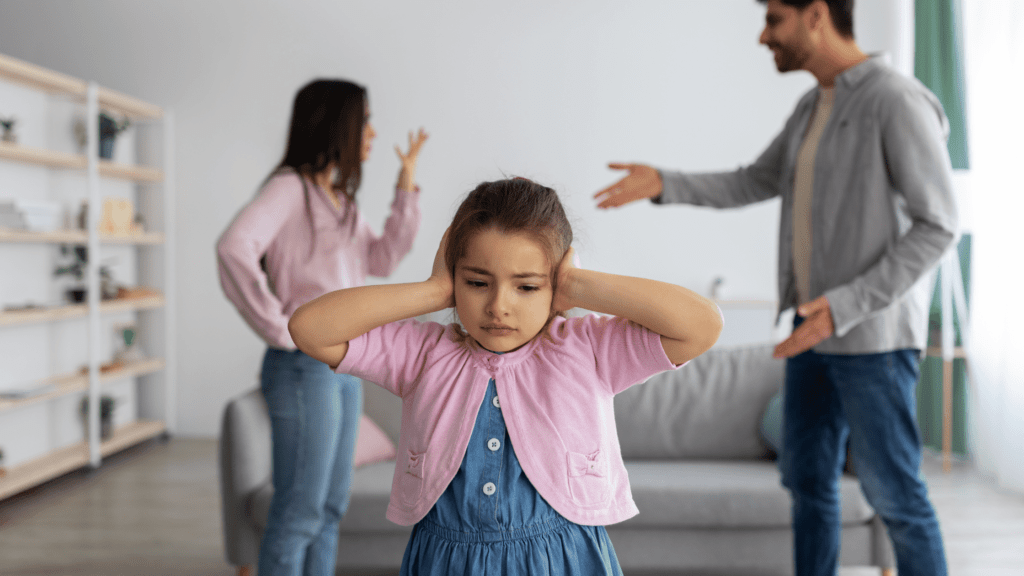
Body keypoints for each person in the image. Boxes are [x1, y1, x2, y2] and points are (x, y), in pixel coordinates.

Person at [593, 1, 956, 575]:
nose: (764, 37)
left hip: (872, 343)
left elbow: (939, 225)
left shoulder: (895, 100)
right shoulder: (813, 104)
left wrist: (845, 307)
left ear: (816, 15)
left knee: (896, 498)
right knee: (809, 485)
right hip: (809, 337)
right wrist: (667, 183)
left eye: (775, 20)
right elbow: (755, 180)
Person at [288, 178, 723, 575]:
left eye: (527, 287)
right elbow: (309, 330)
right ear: (454, 276)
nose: (499, 306)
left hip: (566, 560)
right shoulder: (422, 354)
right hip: (445, 561)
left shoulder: (588, 349)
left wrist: (580, 285)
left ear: (555, 284)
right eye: (477, 283)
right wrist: (432, 291)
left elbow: (702, 325)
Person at [216, 78, 428, 576]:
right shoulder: (289, 188)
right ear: (339, 125)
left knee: (329, 510)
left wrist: (406, 186)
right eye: (366, 121)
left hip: (343, 364)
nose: (373, 133)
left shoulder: (340, 201)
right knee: (300, 512)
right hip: (303, 368)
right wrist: (281, 329)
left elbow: (382, 258)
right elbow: (234, 247)